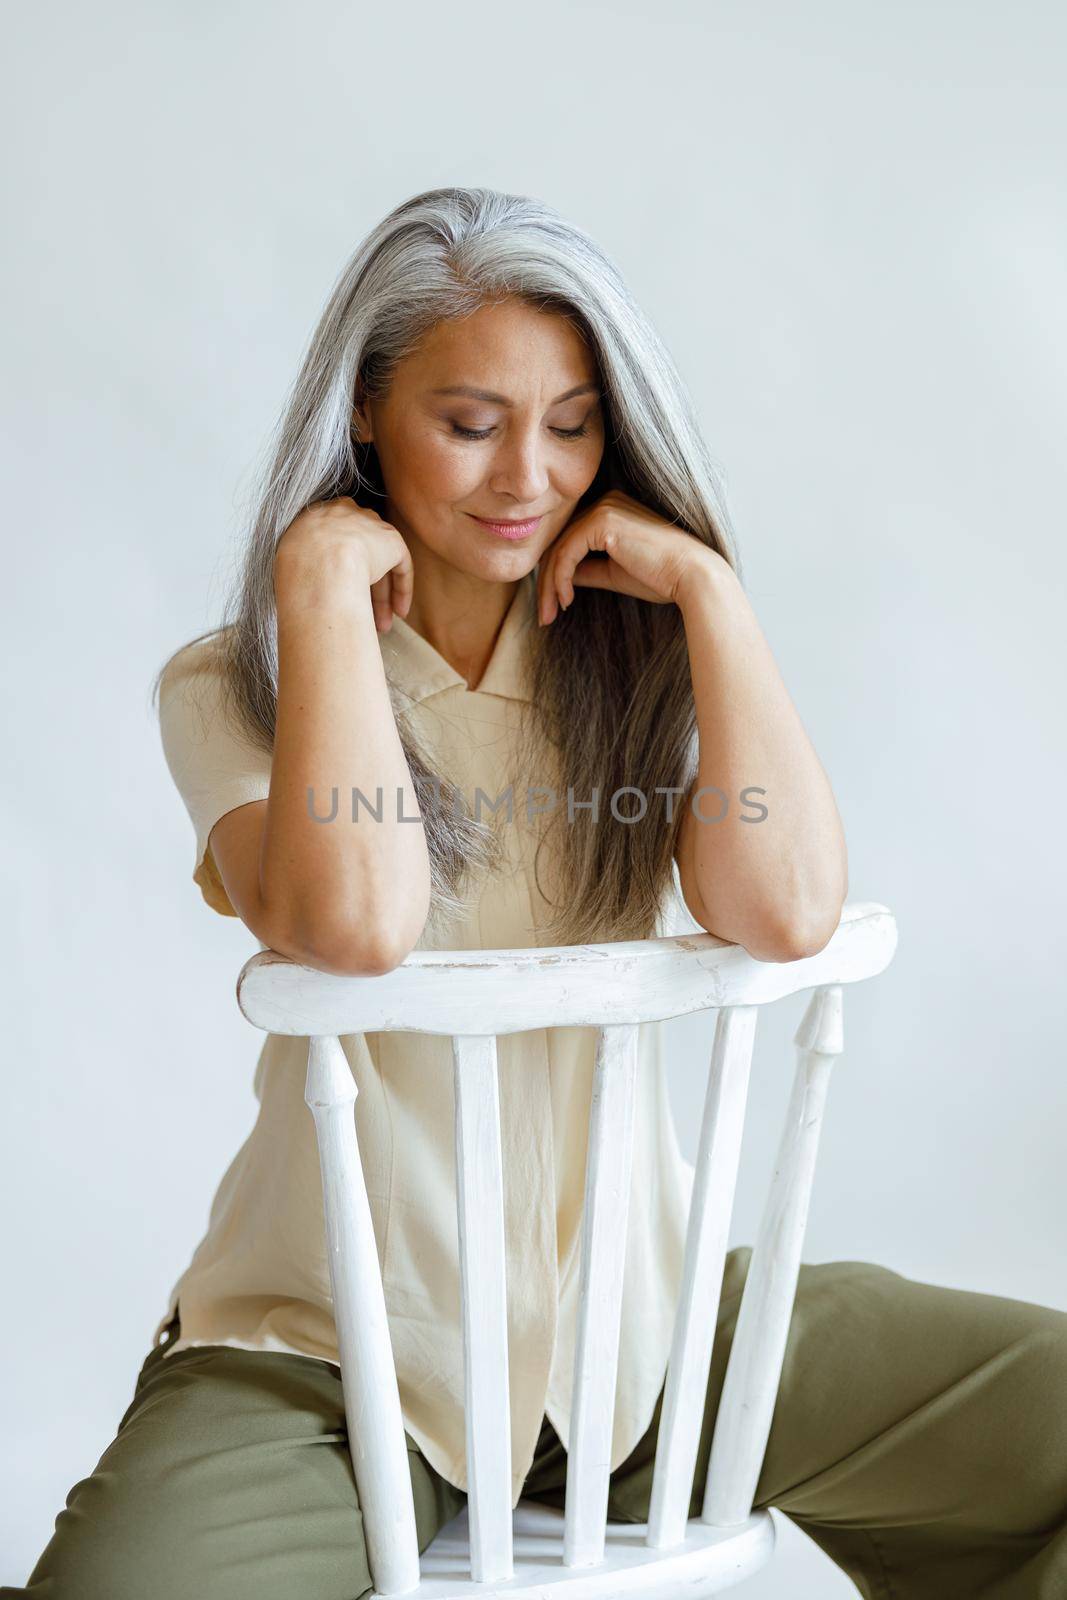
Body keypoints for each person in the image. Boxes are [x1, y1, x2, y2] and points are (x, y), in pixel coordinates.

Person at [7, 186, 1064, 1600]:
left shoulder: (630, 665)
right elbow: (354, 924)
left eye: (572, 425)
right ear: (368, 413)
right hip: (331, 1357)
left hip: (645, 1342)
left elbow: (792, 910)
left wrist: (711, 594)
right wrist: (317, 590)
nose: (529, 476)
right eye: (471, 422)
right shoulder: (236, 684)